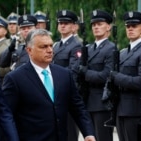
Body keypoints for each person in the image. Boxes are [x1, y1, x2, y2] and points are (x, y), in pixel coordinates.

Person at [2, 28, 96, 141]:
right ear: (29, 50)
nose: (50, 50)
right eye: (43, 47)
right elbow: (6, 117)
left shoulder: (64, 74)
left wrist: (88, 133)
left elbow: (78, 107)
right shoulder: (15, 79)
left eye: (51, 45)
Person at [111, 11, 141, 141]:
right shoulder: (122, 53)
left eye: (134, 26)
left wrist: (117, 78)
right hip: (120, 108)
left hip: (134, 109)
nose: (130, 29)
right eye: (128, 26)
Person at [79, 9, 115, 141]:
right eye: (94, 25)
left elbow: (106, 75)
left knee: (102, 138)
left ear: (108, 27)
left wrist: (85, 73)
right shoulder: (88, 48)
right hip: (87, 101)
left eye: (100, 24)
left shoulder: (111, 48)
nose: (96, 27)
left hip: (101, 103)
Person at [53, 9, 83, 141]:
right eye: (60, 23)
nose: (63, 25)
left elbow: (73, 73)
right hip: (53, 93)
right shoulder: (55, 45)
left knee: (69, 133)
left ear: (73, 26)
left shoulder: (76, 45)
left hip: (66, 94)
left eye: (66, 23)